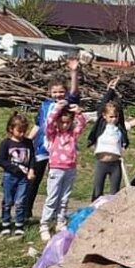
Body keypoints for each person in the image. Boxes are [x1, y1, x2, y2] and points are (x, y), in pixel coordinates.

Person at [24, 57, 80, 224]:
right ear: (49, 92)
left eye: (61, 91)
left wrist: (74, 72)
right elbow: (38, 124)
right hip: (41, 148)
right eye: (55, 92)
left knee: (57, 184)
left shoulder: (67, 104)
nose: (58, 95)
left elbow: (74, 92)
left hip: (60, 149)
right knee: (34, 179)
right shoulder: (45, 105)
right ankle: (26, 212)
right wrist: (27, 141)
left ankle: (55, 216)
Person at [40, 100, 89, 241]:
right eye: (62, 122)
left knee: (64, 198)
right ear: (57, 122)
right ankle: (44, 225)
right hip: (56, 169)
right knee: (52, 198)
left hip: (70, 169)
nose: (65, 125)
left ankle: (60, 222)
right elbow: (49, 123)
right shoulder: (53, 134)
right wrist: (57, 109)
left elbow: (82, 124)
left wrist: (78, 112)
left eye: (68, 122)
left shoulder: (73, 135)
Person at [87, 78, 129, 200]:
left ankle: (112, 210)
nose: (113, 119)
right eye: (111, 116)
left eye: (115, 116)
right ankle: (94, 209)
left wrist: (116, 94)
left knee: (114, 193)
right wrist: (110, 90)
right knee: (97, 191)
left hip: (115, 164)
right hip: (102, 163)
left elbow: (119, 110)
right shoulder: (102, 124)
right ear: (104, 116)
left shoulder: (119, 127)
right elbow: (102, 106)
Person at [0, 112, 35, 237]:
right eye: (19, 131)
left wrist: (31, 170)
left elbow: (32, 158)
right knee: (8, 201)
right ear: (11, 129)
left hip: (24, 178)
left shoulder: (28, 143)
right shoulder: (6, 143)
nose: (22, 134)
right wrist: (15, 169)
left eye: (24, 131)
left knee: (20, 201)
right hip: (10, 177)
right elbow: (0, 161)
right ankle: (6, 223)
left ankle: (19, 224)